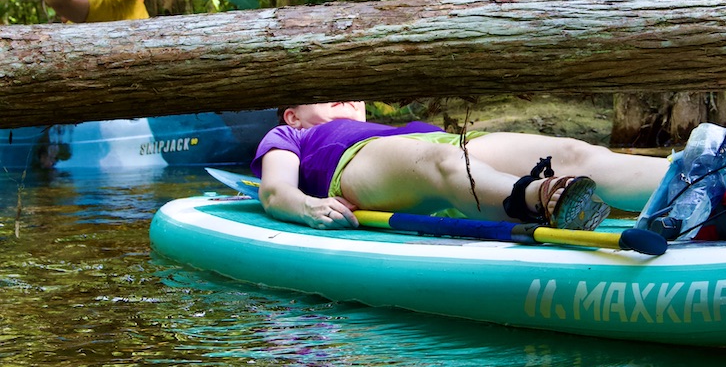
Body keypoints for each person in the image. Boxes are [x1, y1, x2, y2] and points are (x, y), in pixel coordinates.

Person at [253, 101, 671, 232]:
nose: (343, 96)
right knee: (442, 162)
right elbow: (274, 192)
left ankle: (698, 180)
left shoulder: (401, 125)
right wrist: (308, 208)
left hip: (444, 148)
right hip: (362, 165)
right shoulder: (293, 137)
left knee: (571, 152)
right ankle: (542, 199)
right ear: (292, 115)